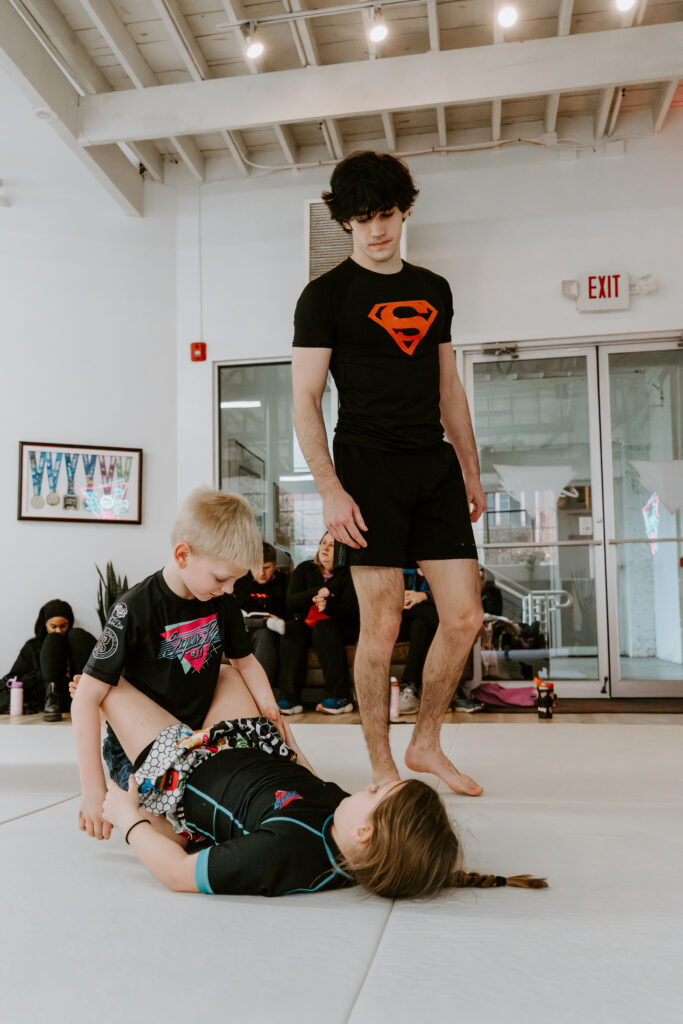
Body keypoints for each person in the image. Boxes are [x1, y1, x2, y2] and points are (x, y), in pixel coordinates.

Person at [292, 151, 486, 793]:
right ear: (346, 222)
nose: (377, 229)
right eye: (363, 218)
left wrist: (470, 470)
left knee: (464, 616)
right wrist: (329, 489)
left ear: (405, 212)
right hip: (366, 468)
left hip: (432, 464)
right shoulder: (325, 296)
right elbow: (305, 399)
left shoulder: (434, 289)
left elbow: (449, 386)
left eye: (387, 214)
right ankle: (381, 767)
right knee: (381, 626)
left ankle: (425, 742)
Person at [99, 667, 547, 898]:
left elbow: (178, 875)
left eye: (376, 791)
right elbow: (307, 784)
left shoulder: (283, 854)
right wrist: (289, 744)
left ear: (365, 832)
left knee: (104, 686)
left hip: (183, 771)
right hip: (246, 749)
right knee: (229, 672)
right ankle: (165, 717)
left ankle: (127, 746)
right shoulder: (346, 824)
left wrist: (127, 818)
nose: (369, 786)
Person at [71, 488, 284, 841]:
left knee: (236, 803)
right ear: (183, 555)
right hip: (139, 747)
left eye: (236, 580)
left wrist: (269, 709)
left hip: (198, 733)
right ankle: (124, 800)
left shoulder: (223, 601)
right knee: (177, 836)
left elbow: (244, 662)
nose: (229, 589)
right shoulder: (134, 608)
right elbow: (85, 699)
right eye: (221, 578)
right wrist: (92, 790)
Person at [281, 532, 359, 715]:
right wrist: (318, 592)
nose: (325, 548)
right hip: (307, 624)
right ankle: (291, 699)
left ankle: (340, 697)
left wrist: (328, 607)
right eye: (323, 543)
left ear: (343, 552)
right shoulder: (304, 569)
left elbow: (353, 611)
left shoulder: (349, 574)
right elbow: (290, 603)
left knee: (323, 627)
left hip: (340, 627)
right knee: (291, 628)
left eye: (332, 546)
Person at [0, 600, 96, 721]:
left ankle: (90, 696)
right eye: (53, 626)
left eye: (63, 626)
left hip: (77, 694)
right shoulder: (33, 646)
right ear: (45, 625)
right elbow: (14, 678)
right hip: (48, 696)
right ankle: (52, 698)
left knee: (78, 634)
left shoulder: (77, 641)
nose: (59, 631)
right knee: (53, 640)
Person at [233, 541, 288, 690]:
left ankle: (268, 691)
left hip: (276, 630)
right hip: (246, 629)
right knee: (262, 631)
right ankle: (262, 690)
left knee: (270, 633)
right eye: (256, 568)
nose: (261, 573)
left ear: (274, 565)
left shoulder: (284, 582)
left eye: (266, 568)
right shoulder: (239, 582)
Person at [395, 568, 438, 716]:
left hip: (424, 628)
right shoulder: (402, 569)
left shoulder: (441, 570)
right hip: (401, 623)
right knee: (422, 618)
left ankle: (410, 686)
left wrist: (423, 596)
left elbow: (452, 597)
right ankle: (413, 687)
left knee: (419, 624)